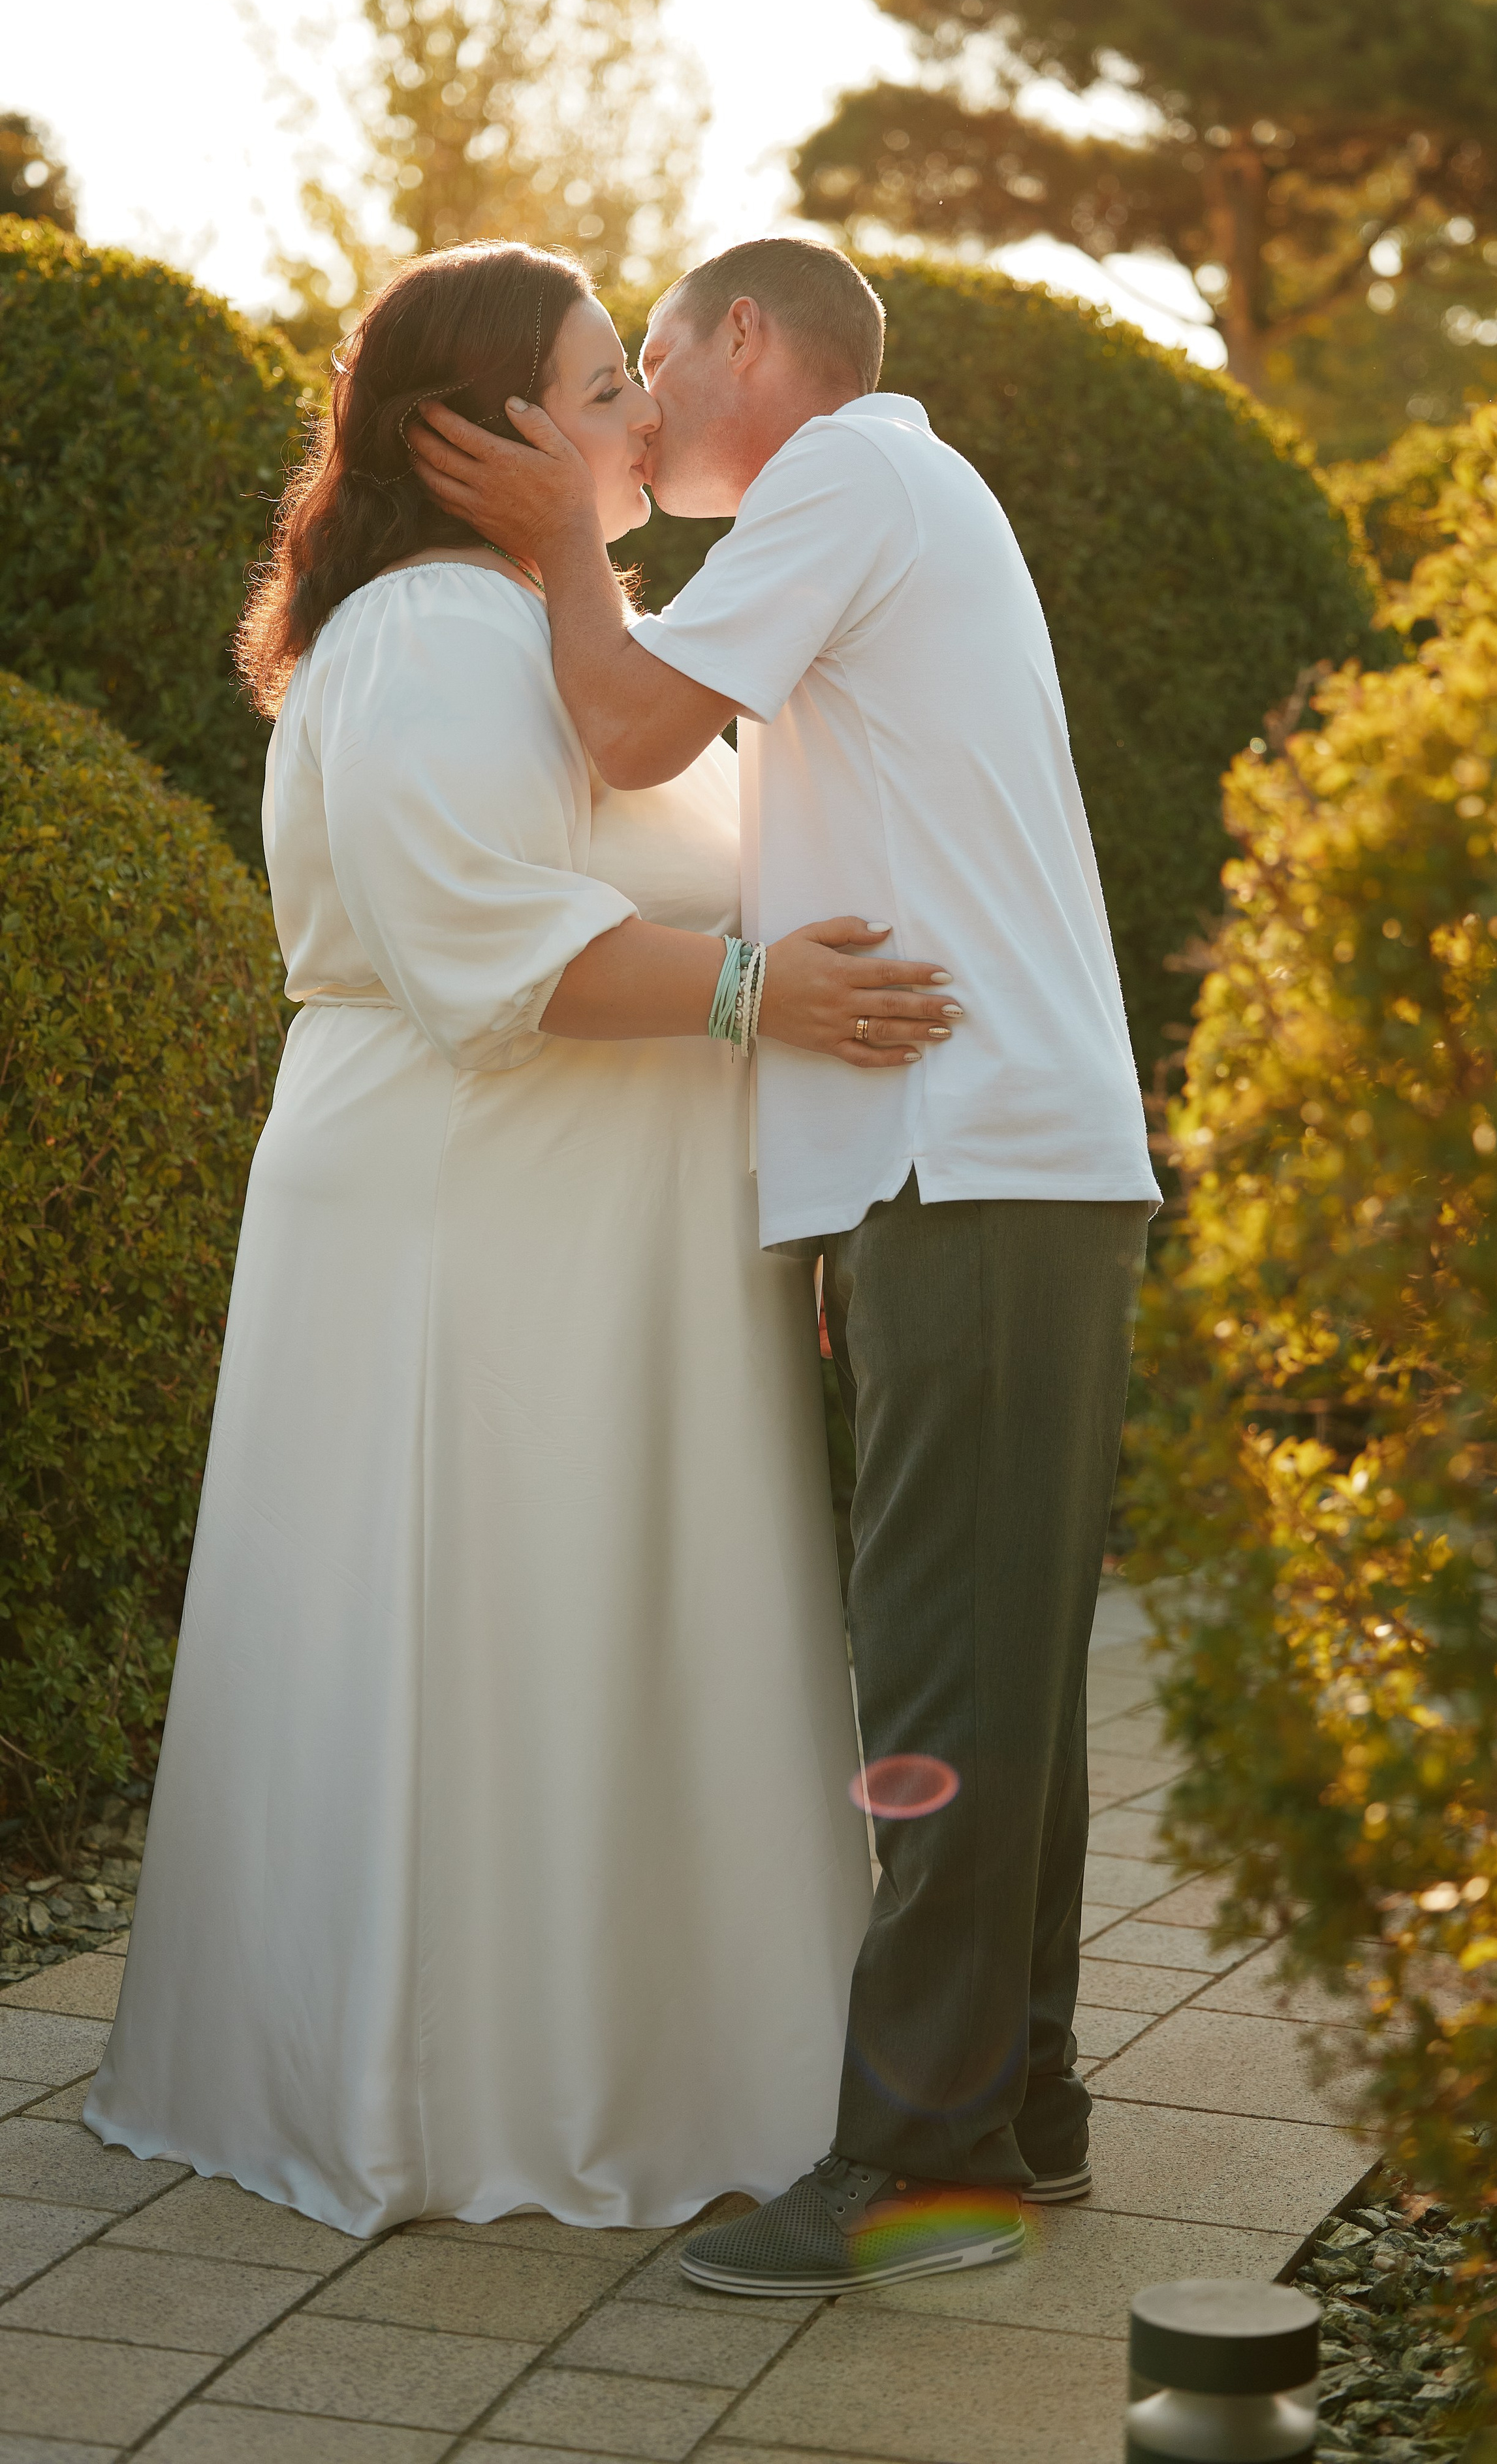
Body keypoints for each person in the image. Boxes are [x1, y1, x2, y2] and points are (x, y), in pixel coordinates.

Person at [83, 240, 958, 2237]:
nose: (639, 419)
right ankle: (456, 2093)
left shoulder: (578, 635)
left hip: (625, 1243)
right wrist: (761, 997)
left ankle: (668, 2059)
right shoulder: (418, 638)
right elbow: (478, 933)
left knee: (635, 1622)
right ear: (458, 439)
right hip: (469, 1229)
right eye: (592, 392)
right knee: (493, 1615)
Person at [410, 235, 1163, 2296]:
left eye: (650, 358)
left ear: (753, 337)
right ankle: (1026, 2102)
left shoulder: (850, 473)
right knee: (995, 1666)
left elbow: (638, 730)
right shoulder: (907, 504)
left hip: (983, 1164)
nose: (638, 405)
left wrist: (568, 532)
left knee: (939, 1668)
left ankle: (924, 2164)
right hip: (976, 1170)